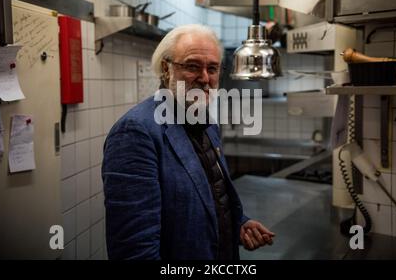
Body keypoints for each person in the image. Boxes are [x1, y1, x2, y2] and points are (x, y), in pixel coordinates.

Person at [102, 24, 275, 260]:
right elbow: (134, 250)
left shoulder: (207, 124)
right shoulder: (136, 132)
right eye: (192, 66)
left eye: (212, 68)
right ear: (166, 69)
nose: (205, 78)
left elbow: (209, 195)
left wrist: (236, 224)